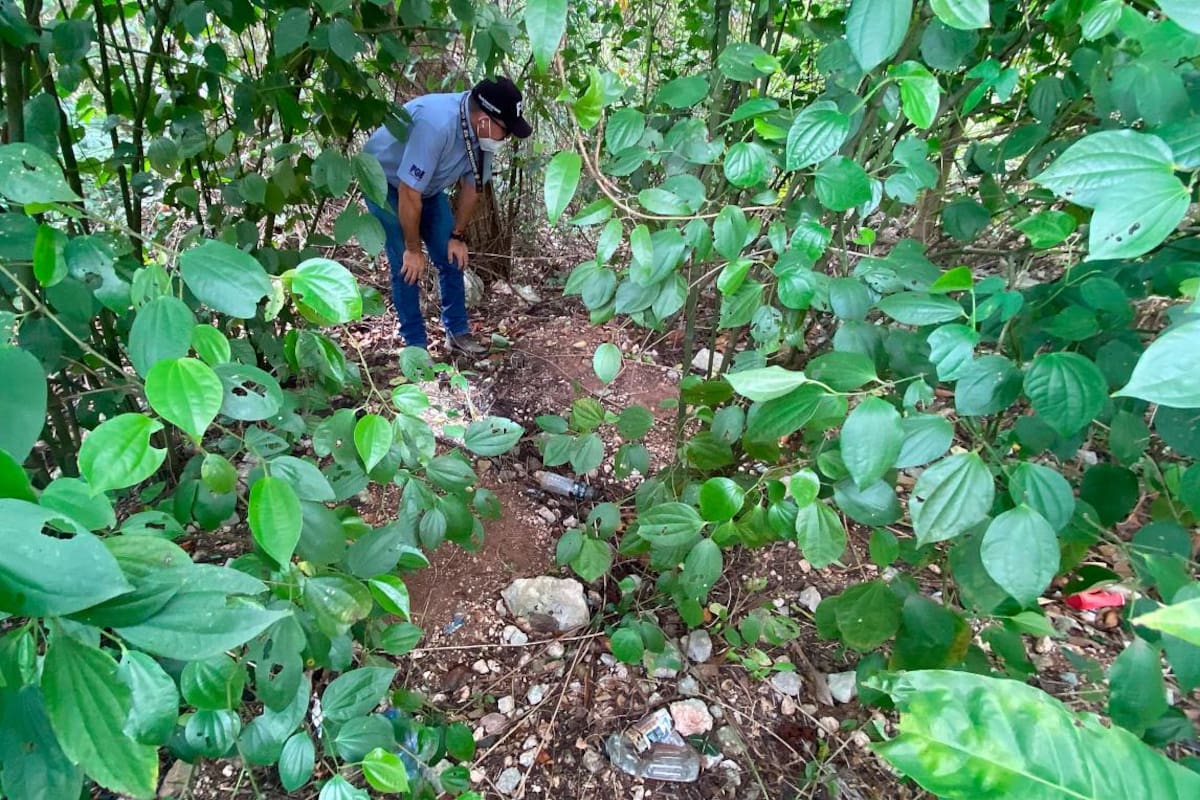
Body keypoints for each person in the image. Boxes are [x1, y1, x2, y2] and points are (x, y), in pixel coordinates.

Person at [362, 77, 532, 355]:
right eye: (506, 131)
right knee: (406, 266)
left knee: (453, 256)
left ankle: (457, 333)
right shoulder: (436, 125)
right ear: (485, 120)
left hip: (426, 189)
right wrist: (413, 249)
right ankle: (416, 347)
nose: (507, 138)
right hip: (384, 183)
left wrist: (457, 235)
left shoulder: (483, 137)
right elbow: (408, 192)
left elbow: (474, 186)